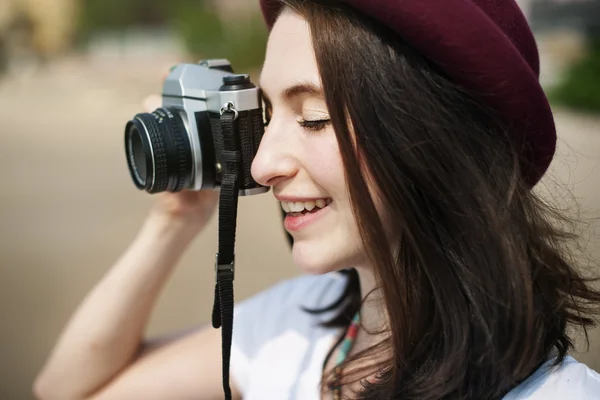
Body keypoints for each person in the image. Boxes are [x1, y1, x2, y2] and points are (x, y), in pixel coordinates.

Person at [33, 1, 600, 399]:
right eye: (269, 115)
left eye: (313, 116)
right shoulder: (291, 327)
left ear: (431, 136)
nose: (261, 165)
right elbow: (68, 389)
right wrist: (173, 220)